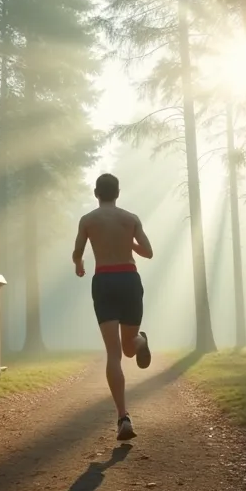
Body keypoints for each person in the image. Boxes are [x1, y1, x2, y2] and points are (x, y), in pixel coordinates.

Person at [72, 173, 153, 441]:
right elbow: (148, 251)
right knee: (128, 347)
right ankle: (141, 342)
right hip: (129, 279)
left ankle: (123, 417)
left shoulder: (88, 220)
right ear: (118, 193)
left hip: (104, 281)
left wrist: (79, 264)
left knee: (116, 353)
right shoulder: (130, 219)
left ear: (96, 193)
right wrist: (128, 242)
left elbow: (77, 252)